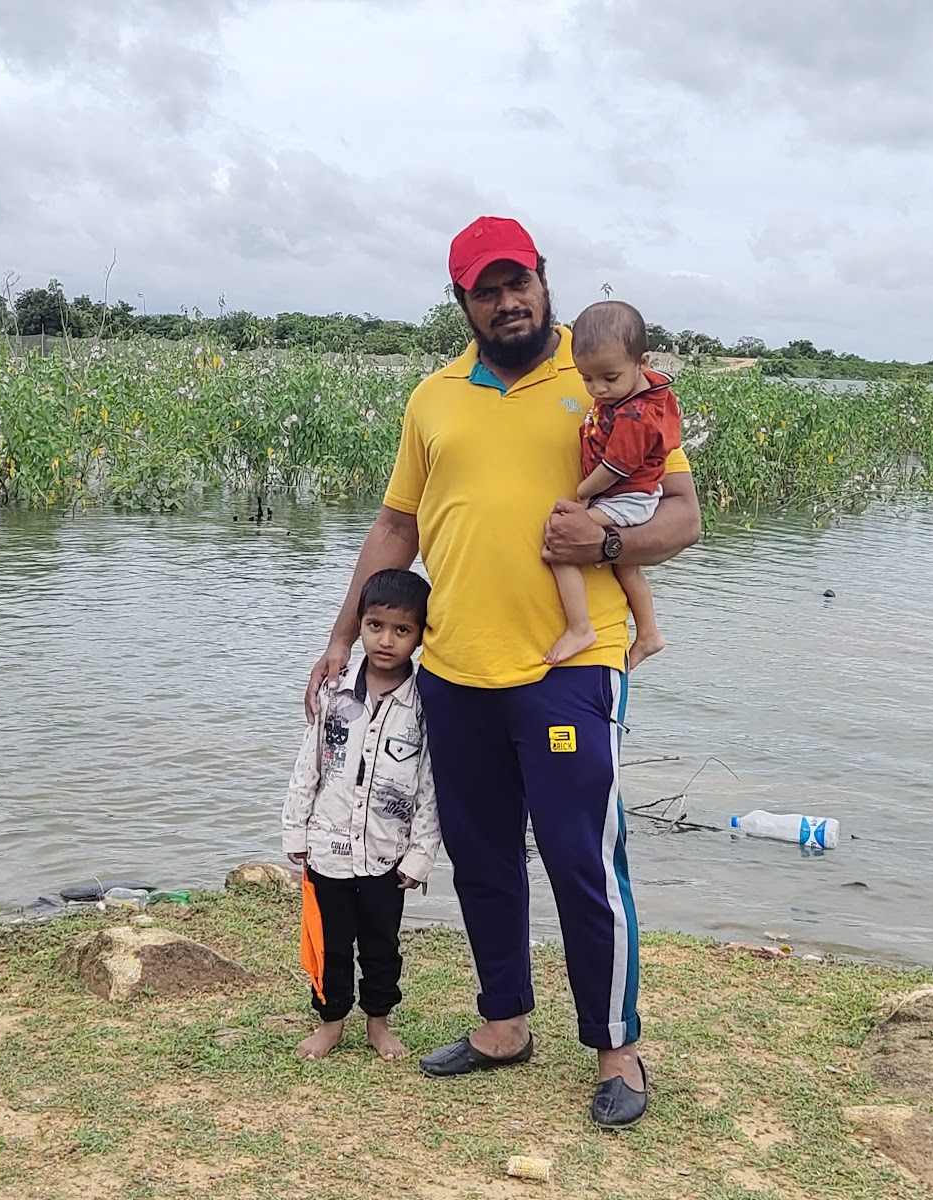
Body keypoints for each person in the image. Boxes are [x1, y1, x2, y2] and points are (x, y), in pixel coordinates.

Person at [304, 216, 700, 1127]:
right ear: (462, 302)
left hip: (571, 662)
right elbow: (398, 527)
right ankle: (502, 1025)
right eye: (487, 289)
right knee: (482, 858)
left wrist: (610, 539)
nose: (508, 301)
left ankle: (616, 1048)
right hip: (454, 669)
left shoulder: (608, 380)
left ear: (544, 281)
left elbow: (681, 518)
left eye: (519, 282)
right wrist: (340, 638)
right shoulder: (434, 397)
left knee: (581, 861)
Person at [283, 568, 441, 1062]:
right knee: (329, 945)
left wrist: (419, 856)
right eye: (374, 626)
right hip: (327, 848)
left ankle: (378, 1022)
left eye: (402, 630)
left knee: (381, 945)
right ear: (360, 624)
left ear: (421, 635)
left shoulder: (424, 706)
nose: (386, 640)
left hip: (385, 856)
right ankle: (330, 1023)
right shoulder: (333, 692)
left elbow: (431, 788)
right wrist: (295, 825)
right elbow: (309, 761)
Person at [545, 300, 680, 668]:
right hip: (631, 494)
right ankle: (650, 633)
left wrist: (583, 494)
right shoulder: (635, 394)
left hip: (626, 496)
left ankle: (580, 627)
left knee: (560, 541)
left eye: (609, 378)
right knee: (627, 566)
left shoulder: (635, 414)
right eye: (587, 379)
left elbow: (615, 467)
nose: (598, 389)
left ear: (643, 364)